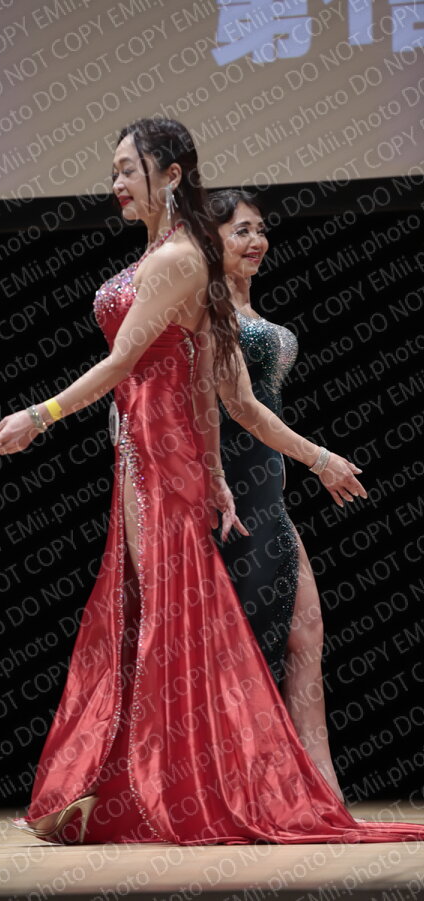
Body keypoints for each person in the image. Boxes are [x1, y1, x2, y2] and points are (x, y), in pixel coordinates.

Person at [0, 118, 424, 846]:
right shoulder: (172, 255)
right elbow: (208, 382)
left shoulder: (182, 257)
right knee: (149, 615)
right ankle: (138, 783)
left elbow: (130, 364)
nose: (117, 183)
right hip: (149, 453)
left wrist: (40, 414)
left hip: (160, 459)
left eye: (129, 169)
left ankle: (176, 789)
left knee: (169, 621)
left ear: (172, 173)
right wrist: (215, 470)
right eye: (114, 171)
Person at [207, 189, 353, 802]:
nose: (256, 241)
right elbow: (239, 409)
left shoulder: (245, 308)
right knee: (237, 644)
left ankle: (320, 792)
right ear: (210, 239)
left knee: (306, 633)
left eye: (260, 230)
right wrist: (317, 458)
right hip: (230, 490)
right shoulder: (205, 309)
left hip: (269, 487)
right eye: (240, 231)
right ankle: (243, 791)